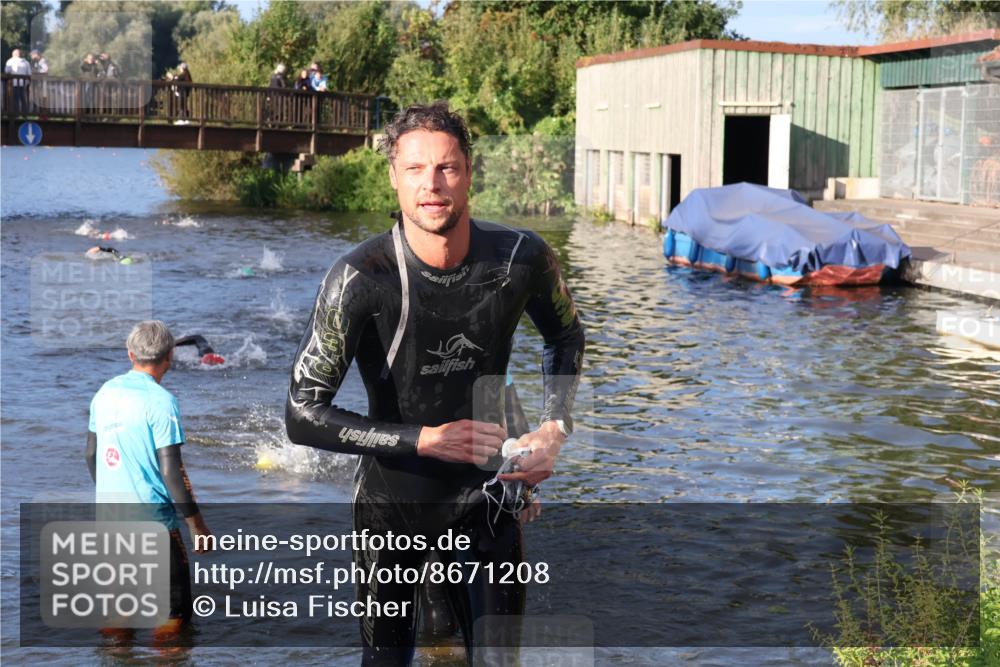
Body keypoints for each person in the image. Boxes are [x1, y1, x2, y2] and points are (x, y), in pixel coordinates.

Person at [285, 102, 585, 665]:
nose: (433, 185)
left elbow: (565, 337)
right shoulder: (358, 279)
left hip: (489, 497)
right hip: (392, 504)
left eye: (447, 167)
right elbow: (301, 413)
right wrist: (423, 439)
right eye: (416, 170)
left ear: (470, 171)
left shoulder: (523, 258)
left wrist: (554, 427)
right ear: (393, 177)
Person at [86, 320, 212, 637]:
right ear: (169, 356)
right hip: (154, 521)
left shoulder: (104, 393)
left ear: (131, 354)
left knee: (117, 617)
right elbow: (171, 470)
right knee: (173, 617)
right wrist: (196, 525)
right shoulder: (161, 402)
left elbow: (90, 455)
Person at [4, 48, 31, 114]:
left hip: (13, 83)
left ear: (14, 54)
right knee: (23, 98)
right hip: (23, 84)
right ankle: (25, 113)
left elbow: (6, 71)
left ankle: (15, 113)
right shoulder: (26, 62)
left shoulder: (10, 61)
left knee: (14, 99)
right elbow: (29, 74)